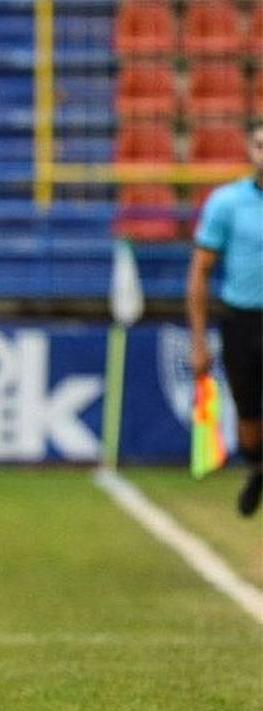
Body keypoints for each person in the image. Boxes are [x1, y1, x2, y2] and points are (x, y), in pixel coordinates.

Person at [186, 118, 263, 517]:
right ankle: (255, 466)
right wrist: (198, 341)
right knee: (249, 418)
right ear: (250, 151)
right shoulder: (227, 204)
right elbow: (200, 270)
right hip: (243, 321)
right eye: (259, 145)